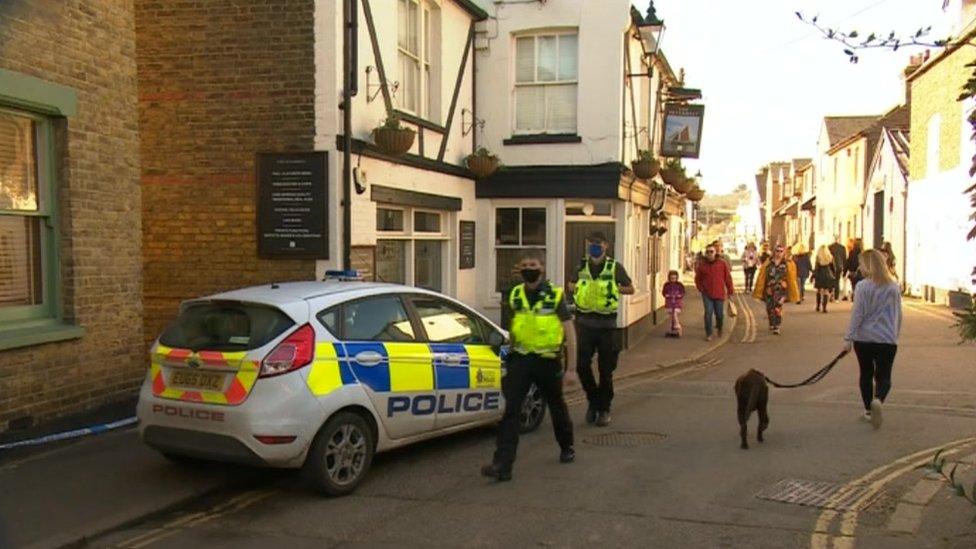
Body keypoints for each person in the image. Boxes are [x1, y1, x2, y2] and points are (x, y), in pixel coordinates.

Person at [482, 251, 576, 481]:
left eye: (532, 264)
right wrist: (506, 359)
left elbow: (570, 332)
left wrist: (571, 369)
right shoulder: (514, 295)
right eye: (524, 264)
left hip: (547, 360)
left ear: (541, 268)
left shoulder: (554, 295)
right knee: (511, 411)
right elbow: (512, 330)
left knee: (556, 406)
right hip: (521, 359)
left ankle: (566, 446)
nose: (528, 268)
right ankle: (502, 465)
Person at [567, 232, 635, 427]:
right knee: (581, 366)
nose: (594, 246)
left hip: (607, 327)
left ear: (606, 246)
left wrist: (613, 287)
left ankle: (604, 409)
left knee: (606, 371)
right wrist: (578, 286)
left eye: (598, 243)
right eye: (591, 243)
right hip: (584, 324)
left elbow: (630, 289)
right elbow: (571, 285)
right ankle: (594, 401)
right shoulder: (581, 266)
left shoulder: (615, 267)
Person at [843, 249, 902, 429]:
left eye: (861, 263)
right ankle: (879, 400)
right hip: (886, 339)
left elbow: (857, 314)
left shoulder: (862, 287)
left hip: (864, 339)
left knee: (866, 374)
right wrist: (895, 334)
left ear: (868, 265)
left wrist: (848, 338)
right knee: (884, 377)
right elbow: (898, 314)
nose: (859, 267)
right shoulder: (893, 287)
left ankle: (869, 410)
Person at [752, 244, 800, 335]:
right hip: (769, 289)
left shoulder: (787, 263)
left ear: (784, 253)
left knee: (778, 306)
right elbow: (762, 276)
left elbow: (792, 277)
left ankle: (777, 326)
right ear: (774, 252)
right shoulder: (768, 263)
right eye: (777, 251)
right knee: (770, 307)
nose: (779, 253)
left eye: (781, 251)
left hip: (781, 289)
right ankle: (771, 322)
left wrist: (792, 288)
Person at [694, 243, 735, 342]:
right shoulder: (702, 265)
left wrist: (730, 291)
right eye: (707, 252)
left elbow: (727, 278)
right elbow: (697, 279)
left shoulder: (722, 264)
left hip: (719, 293)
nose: (709, 254)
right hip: (707, 294)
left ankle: (719, 328)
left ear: (715, 252)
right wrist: (701, 289)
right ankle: (709, 333)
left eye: (711, 252)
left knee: (719, 314)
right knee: (708, 313)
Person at [813, 245, 837, 313]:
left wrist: (814, 275)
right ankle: (824, 308)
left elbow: (816, 267)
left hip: (820, 274)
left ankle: (818, 306)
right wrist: (834, 275)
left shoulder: (818, 257)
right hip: (827, 274)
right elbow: (833, 267)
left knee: (819, 290)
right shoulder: (830, 257)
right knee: (826, 291)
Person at [663, 270, 686, 337]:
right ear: (669, 278)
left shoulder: (679, 285)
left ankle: (677, 326)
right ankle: (673, 327)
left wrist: (680, 295)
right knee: (671, 315)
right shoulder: (667, 285)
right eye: (671, 278)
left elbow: (682, 292)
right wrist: (666, 295)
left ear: (677, 278)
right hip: (669, 303)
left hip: (677, 303)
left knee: (675, 313)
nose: (673, 280)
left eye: (674, 278)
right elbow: (664, 292)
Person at [829, 236, 847, 302]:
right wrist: (844, 269)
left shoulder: (830, 247)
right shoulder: (842, 248)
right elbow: (844, 259)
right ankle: (836, 298)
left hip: (831, 267)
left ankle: (831, 294)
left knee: (831, 281)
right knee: (837, 282)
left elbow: (828, 257)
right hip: (839, 267)